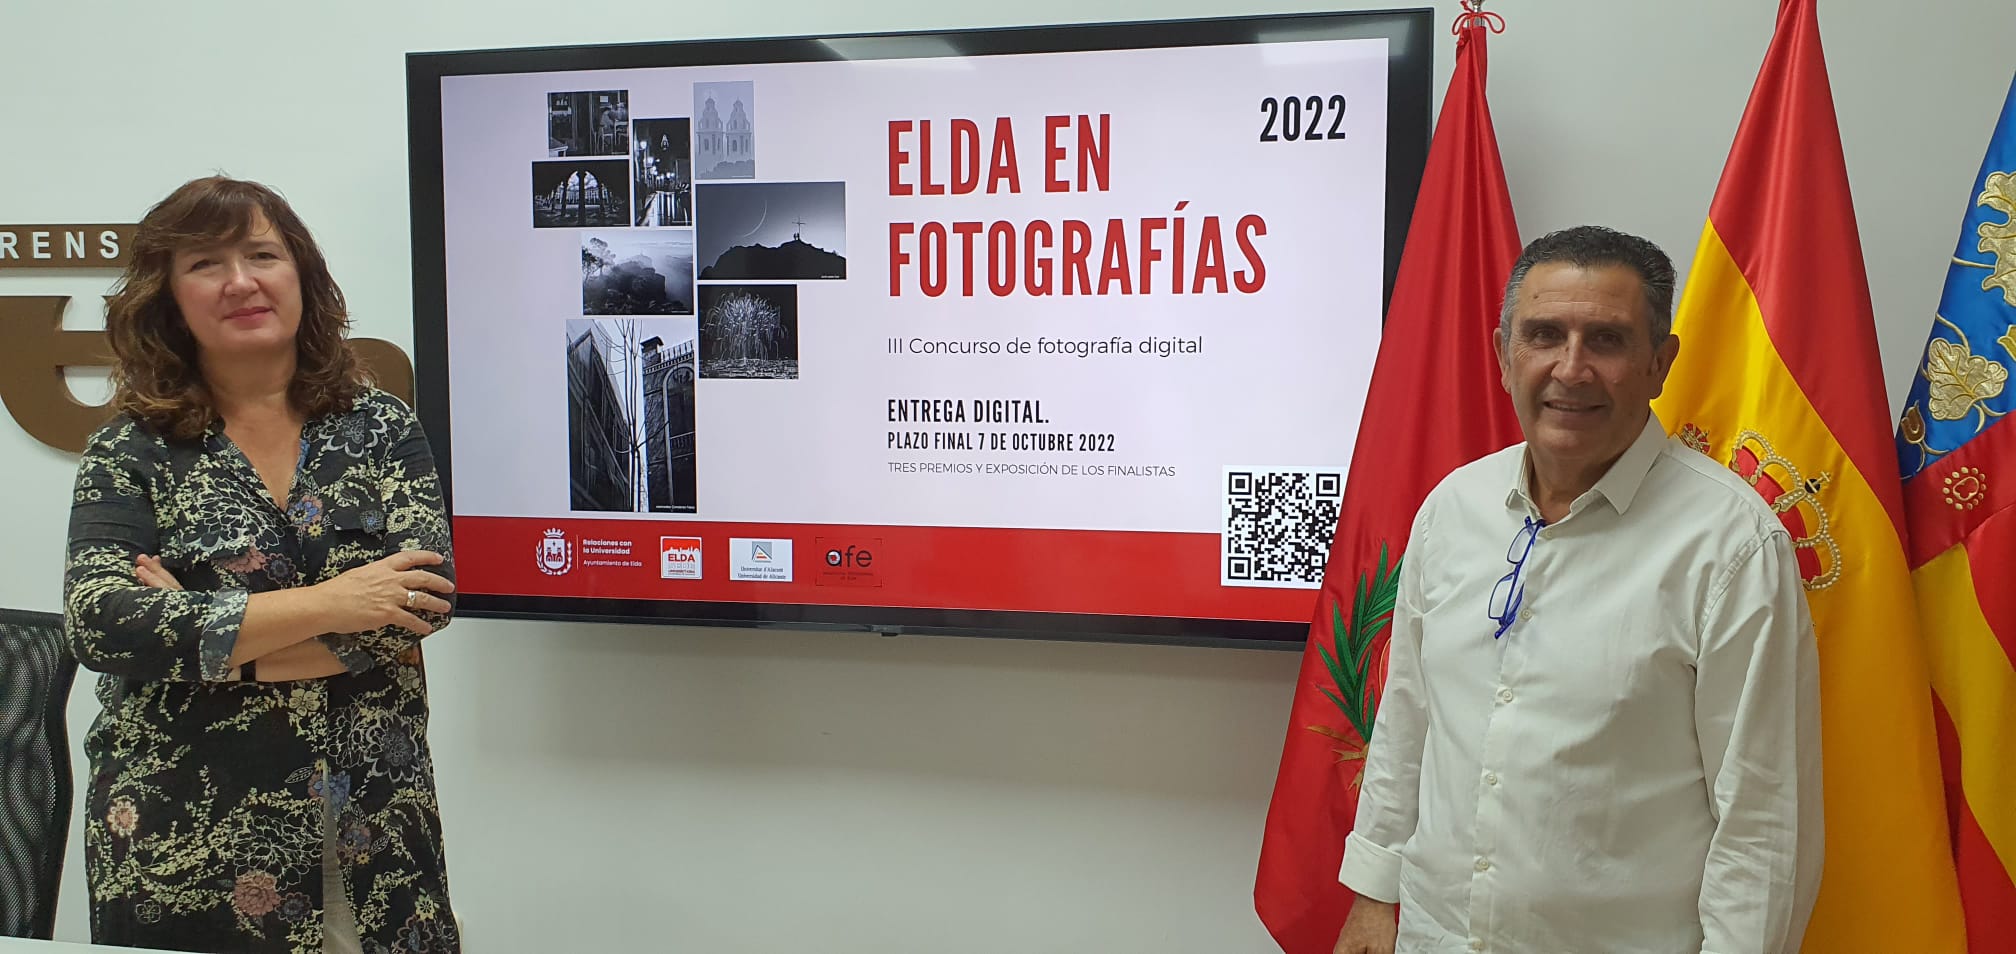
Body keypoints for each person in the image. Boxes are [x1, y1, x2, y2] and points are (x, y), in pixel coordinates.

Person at [1332, 226, 1823, 954]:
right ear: (1504, 355)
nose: (1571, 368)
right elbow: (1408, 721)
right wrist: (1374, 895)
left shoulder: (1732, 545)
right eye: (1543, 335)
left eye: (1607, 340)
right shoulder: (1452, 509)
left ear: (1660, 363)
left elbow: (1763, 821)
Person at [64, 176, 462, 954]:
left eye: (261, 255)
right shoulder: (129, 450)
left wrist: (209, 646)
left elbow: (421, 603)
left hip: (374, 820)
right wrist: (337, 601)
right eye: (205, 264)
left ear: (302, 275)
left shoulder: (381, 427)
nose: (240, 281)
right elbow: (104, 624)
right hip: (187, 835)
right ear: (168, 297)